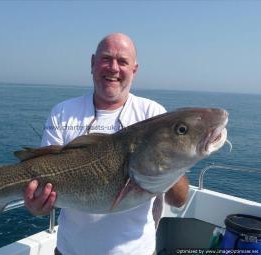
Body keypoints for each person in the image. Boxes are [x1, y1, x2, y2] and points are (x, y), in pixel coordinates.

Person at [24, 33, 189, 255]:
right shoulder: (63, 113)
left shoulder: (154, 115)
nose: (113, 67)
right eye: (106, 59)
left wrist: (171, 163)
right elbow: (45, 194)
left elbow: (178, 200)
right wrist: (37, 207)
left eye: (122, 61)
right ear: (93, 63)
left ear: (134, 70)